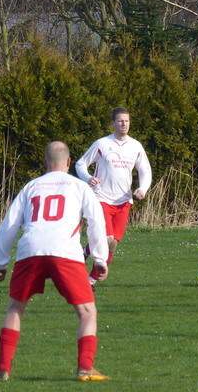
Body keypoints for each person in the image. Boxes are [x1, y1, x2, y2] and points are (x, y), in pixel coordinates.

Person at [0, 142, 110, 381]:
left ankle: (3, 369)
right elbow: (96, 223)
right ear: (68, 162)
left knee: (15, 308)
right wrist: (100, 259)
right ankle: (85, 367)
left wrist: (1, 262)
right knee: (87, 312)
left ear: (45, 164)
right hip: (64, 251)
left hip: (30, 250)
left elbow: (8, 226)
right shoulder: (79, 186)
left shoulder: (31, 186)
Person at [76, 107, 152, 289]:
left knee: (112, 245)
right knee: (107, 239)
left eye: (126, 121)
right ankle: (88, 273)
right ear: (112, 123)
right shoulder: (102, 144)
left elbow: (145, 170)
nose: (124, 124)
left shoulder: (135, 146)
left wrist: (142, 188)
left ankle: (90, 277)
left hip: (124, 201)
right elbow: (81, 163)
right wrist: (88, 178)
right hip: (101, 198)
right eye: (120, 121)